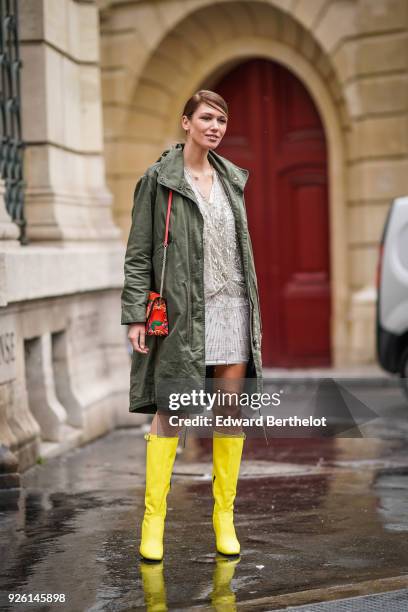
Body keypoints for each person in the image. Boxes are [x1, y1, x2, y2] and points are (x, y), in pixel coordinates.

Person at [121, 90, 263, 562]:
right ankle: (153, 520)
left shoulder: (231, 179)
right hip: (184, 313)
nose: (216, 126)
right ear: (186, 122)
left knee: (229, 411)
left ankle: (224, 517)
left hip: (233, 308)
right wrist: (136, 314)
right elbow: (139, 252)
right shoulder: (158, 180)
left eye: (222, 119)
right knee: (172, 413)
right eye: (207, 117)